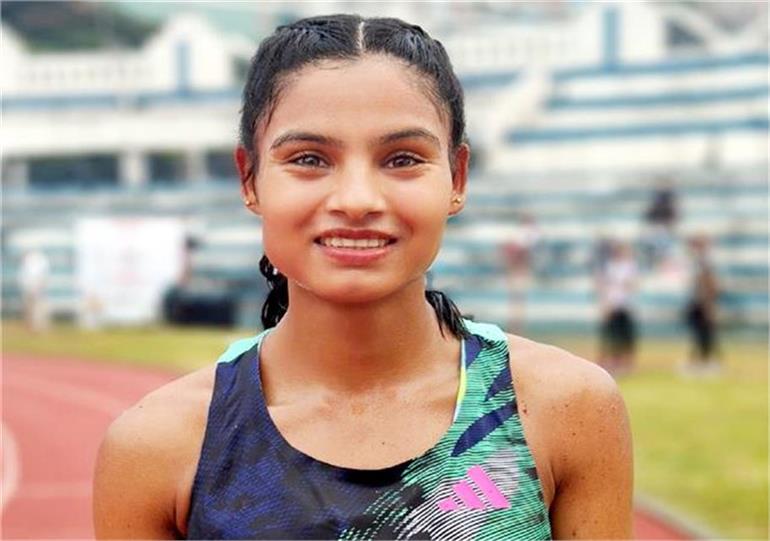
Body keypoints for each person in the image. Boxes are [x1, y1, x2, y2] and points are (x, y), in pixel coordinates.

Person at [94, 15, 632, 540]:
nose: (357, 200)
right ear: (249, 178)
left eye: (402, 159)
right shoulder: (158, 446)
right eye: (309, 159)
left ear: (457, 178)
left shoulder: (566, 408)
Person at [596, 240, 638, 376]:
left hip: (624, 305)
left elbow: (632, 285)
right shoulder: (609, 267)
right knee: (611, 336)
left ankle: (624, 362)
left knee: (625, 336)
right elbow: (602, 286)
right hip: (612, 305)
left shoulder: (629, 266)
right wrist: (604, 304)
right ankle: (611, 361)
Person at [681, 234, 721, 375]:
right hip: (698, 301)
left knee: (704, 333)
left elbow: (708, 283)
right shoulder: (698, 261)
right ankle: (701, 361)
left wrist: (708, 304)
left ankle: (706, 362)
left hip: (702, 302)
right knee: (700, 334)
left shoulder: (704, 262)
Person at [18, 248, 51, 331]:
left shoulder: (39, 261)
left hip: (37, 287)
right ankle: (30, 326)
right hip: (29, 287)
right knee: (29, 308)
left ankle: (39, 325)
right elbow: (23, 277)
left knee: (38, 308)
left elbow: (42, 275)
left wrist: (39, 286)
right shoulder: (27, 263)